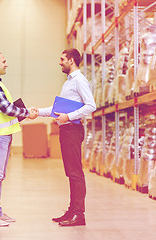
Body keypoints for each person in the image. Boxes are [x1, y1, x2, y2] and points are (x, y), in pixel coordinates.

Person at [32, 48, 96, 227]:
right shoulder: (68, 82)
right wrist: (38, 112)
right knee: (70, 173)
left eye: (62, 59)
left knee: (75, 173)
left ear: (71, 60)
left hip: (73, 130)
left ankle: (79, 215)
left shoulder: (79, 80)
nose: (59, 62)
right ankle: (72, 210)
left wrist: (69, 117)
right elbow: (58, 109)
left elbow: (91, 105)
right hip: (67, 130)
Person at [0, 52, 38, 227]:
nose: (6, 64)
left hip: (1, 135)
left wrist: (25, 114)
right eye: (4, 61)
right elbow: (7, 109)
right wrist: (28, 113)